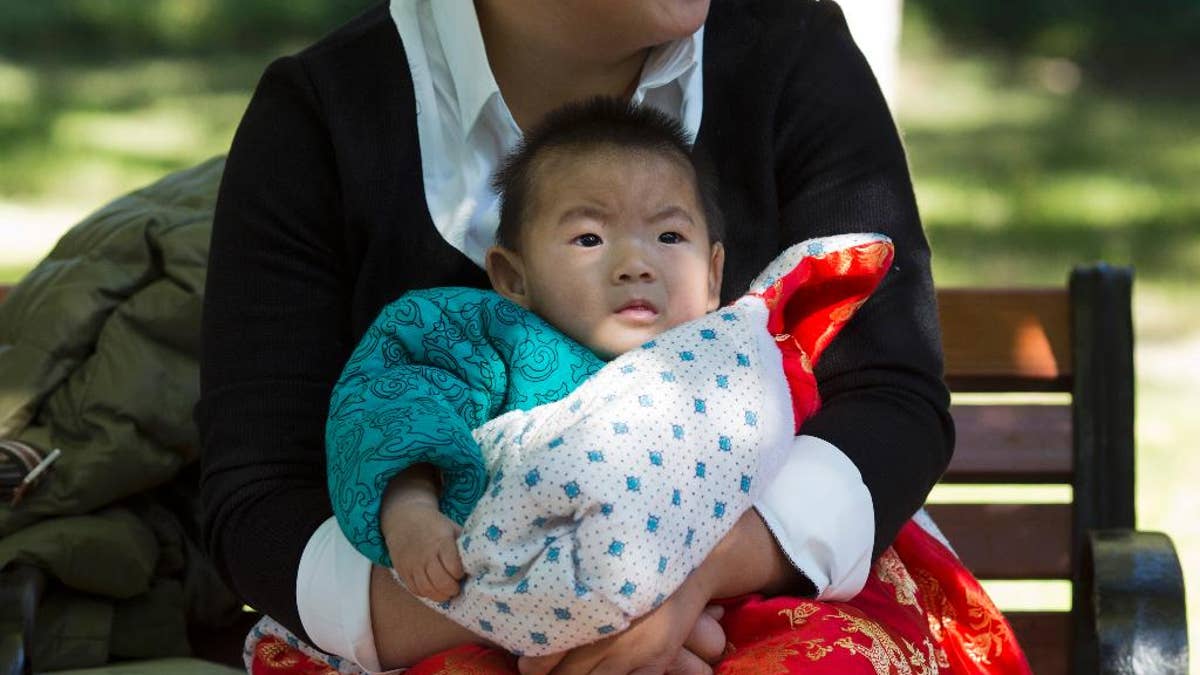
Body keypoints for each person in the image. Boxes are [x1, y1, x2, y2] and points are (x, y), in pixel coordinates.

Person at [198, 1, 976, 672]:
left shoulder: (791, 50)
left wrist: (683, 575)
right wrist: (561, 613)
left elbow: (889, 398)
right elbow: (260, 494)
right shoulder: (323, 113)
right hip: (429, 617)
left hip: (762, 578)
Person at [320, 98, 895, 657]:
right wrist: (410, 510)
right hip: (492, 608)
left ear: (715, 272)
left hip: (717, 602)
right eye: (589, 239)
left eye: (669, 237)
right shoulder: (482, 338)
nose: (636, 264)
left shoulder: (734, 363)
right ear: (511, 275)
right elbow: (396, 404)